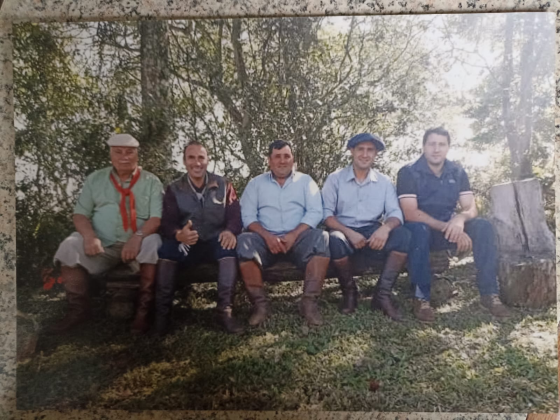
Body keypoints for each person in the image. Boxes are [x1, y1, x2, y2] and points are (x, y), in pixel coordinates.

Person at [51, 133, 163, 334]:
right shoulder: (96, 179)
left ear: (137, 154)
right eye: (118, 152)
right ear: (110, 155)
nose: (124, 157)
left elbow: (156, 218)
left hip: (138, 247)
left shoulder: (151, 181)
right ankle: (78, 310)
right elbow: (80, 214)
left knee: (153, 241)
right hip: (103, 246)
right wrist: (89, 236)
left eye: (130, 152)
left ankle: (144, 312)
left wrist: (137, 238)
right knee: (69, 245)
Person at [396, 126, 511, 322]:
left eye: (442, 144)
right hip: (420, 231)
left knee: (483, 226)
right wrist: (449, 228)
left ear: (448, 147)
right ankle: (421, 298)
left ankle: (489, 294)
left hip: (448, 229)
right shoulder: (408, 172)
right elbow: (410, 213)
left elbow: (470, 207)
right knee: (418, 230)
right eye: (432, 144)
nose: (436, 149)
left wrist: (459, 220)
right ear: (424, 146)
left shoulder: (457, 171)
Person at [236, 140, 330, 327]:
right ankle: (260, 305)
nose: (282, 161)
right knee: (244, 241)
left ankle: (309, 303)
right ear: (269, 160)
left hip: (298, 239)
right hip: (265, 241)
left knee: (321, 237)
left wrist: (294, 235)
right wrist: (267, 237)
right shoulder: (255, 184)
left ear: (293, 159)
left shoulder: (305, 182)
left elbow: (315, 212)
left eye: (286, 156)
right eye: (277, 156)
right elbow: (247, 216)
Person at [155, 141, 243, 335]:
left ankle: (225, 312)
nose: (197, 163)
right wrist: (179, 234)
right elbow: (167, 222)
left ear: (208, 160)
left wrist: (230, 230)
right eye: (191, 158)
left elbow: (235, 215)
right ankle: (162, 315)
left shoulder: (223, 184)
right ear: (184, 161)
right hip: (188, 242)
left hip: (214, 240)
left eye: (201, 157)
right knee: (167, 250)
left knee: (229, 248)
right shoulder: (174, 188)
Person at [322, 133, 410, 321]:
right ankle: (350, 293)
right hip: (344, 231)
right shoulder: (335, 179)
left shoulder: (384, 182)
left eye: (370, 150)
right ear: (351, 151)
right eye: (360, 149)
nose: (365, 154)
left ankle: (382, 295)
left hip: (372, 232)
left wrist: (385, 229)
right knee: (334, 240)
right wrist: (349, 233)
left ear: (375, 154)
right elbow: (326, 215)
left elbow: (396, 213)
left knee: (403, 236)